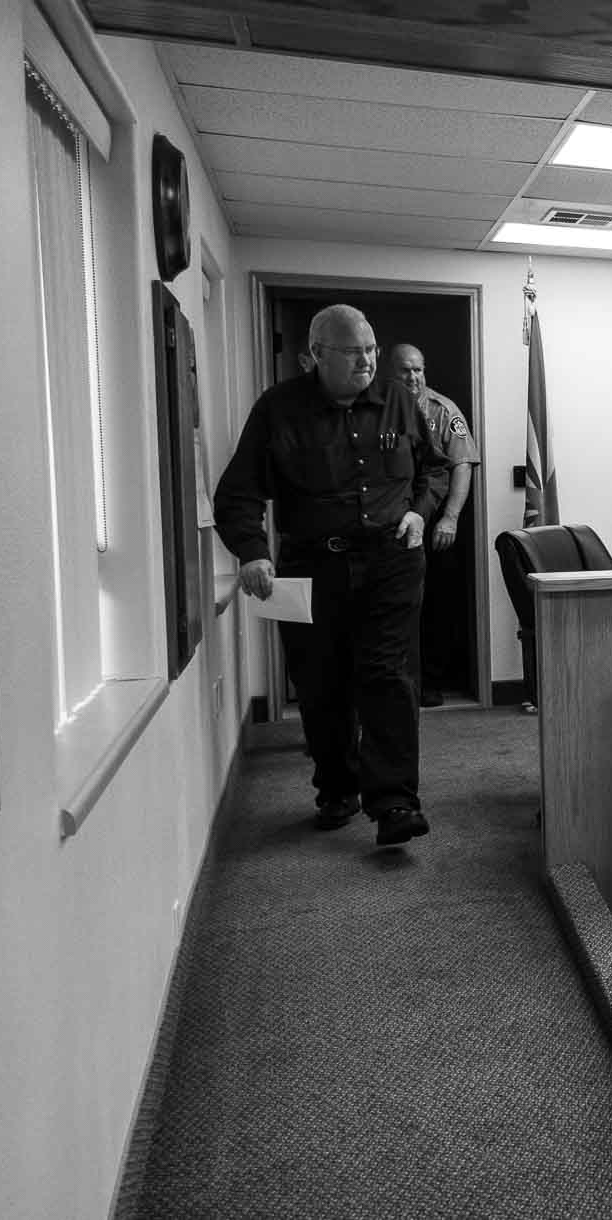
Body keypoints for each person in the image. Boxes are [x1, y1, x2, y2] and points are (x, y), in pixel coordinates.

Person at [213, 304, 449, 846]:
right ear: (317, 355)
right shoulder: (279, 409)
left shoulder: (399, 400)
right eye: (352, 352)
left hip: (392, 559)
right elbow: (238, 493)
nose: (367, 361)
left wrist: (419, 509)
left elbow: (434, 468)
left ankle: (394, 803)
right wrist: (252, 551)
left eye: (370, 349)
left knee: (387, 675)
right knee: (322, 683)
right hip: (313, 565)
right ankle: (337, 786)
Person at [387, 343, 479, 707]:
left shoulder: (442, 410)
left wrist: (450, 517)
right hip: (389, 528)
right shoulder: (375, 410)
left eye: (418, 370)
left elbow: (461, 464)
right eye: (405, 371)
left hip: (432, 524)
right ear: (389, 374)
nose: (413, 377)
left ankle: (430, 682)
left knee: (434, 607)